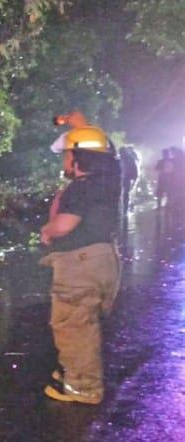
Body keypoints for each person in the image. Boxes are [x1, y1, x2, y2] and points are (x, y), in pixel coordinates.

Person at [39, 124, 121, 405]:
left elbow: (64, 223)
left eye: (67, 155)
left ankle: (83, 387)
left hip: (80, 264)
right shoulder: (108, 181)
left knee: (74, 324)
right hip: (103, 260)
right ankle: (74, 371)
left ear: (79, 158)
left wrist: (48, 231)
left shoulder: (80, 188)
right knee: (85, 321)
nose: (64, 161)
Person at [119, 146, 139, 213]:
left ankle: (125, 208)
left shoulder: (130, 159)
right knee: (125, 193)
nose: (121, 154)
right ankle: (124, 208)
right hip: (124, 178)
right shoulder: (121, 158)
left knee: (126, 193)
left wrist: (134, 180)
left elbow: (135, 170)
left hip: (127, 178)